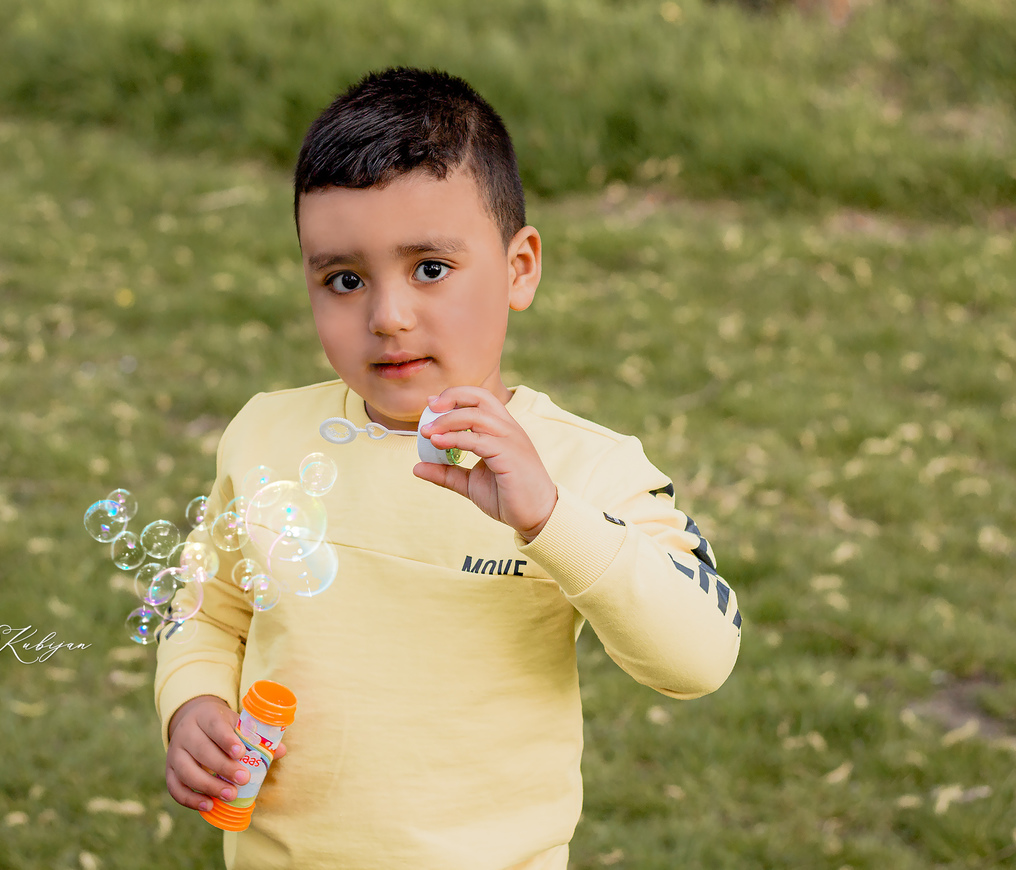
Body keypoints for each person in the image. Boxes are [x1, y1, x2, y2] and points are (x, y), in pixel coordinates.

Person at [155, 67, 742, 870]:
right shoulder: (267, 435)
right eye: (344, 279)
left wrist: (550, 518)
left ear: (519, 268)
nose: (388, 316)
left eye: (430, 267)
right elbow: (208, 609)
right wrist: (192, 702)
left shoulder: (584, 470)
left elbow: (700, 657)